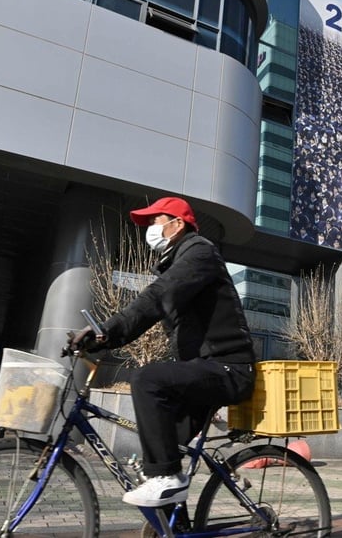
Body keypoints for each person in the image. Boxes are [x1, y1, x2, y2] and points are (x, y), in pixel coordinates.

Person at [68, 196, 256, 508]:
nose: (150, 228)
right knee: (159, 455)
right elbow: (152, 309)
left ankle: (168, 479)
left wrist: (105, 333)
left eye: (155, 220)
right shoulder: (178, 260)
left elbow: (157, 299)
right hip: (203, 370)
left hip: (229, 369)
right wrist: (101, 340)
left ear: (177, 223)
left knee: (147, 380)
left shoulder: (199, 252)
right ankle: (173, 520)